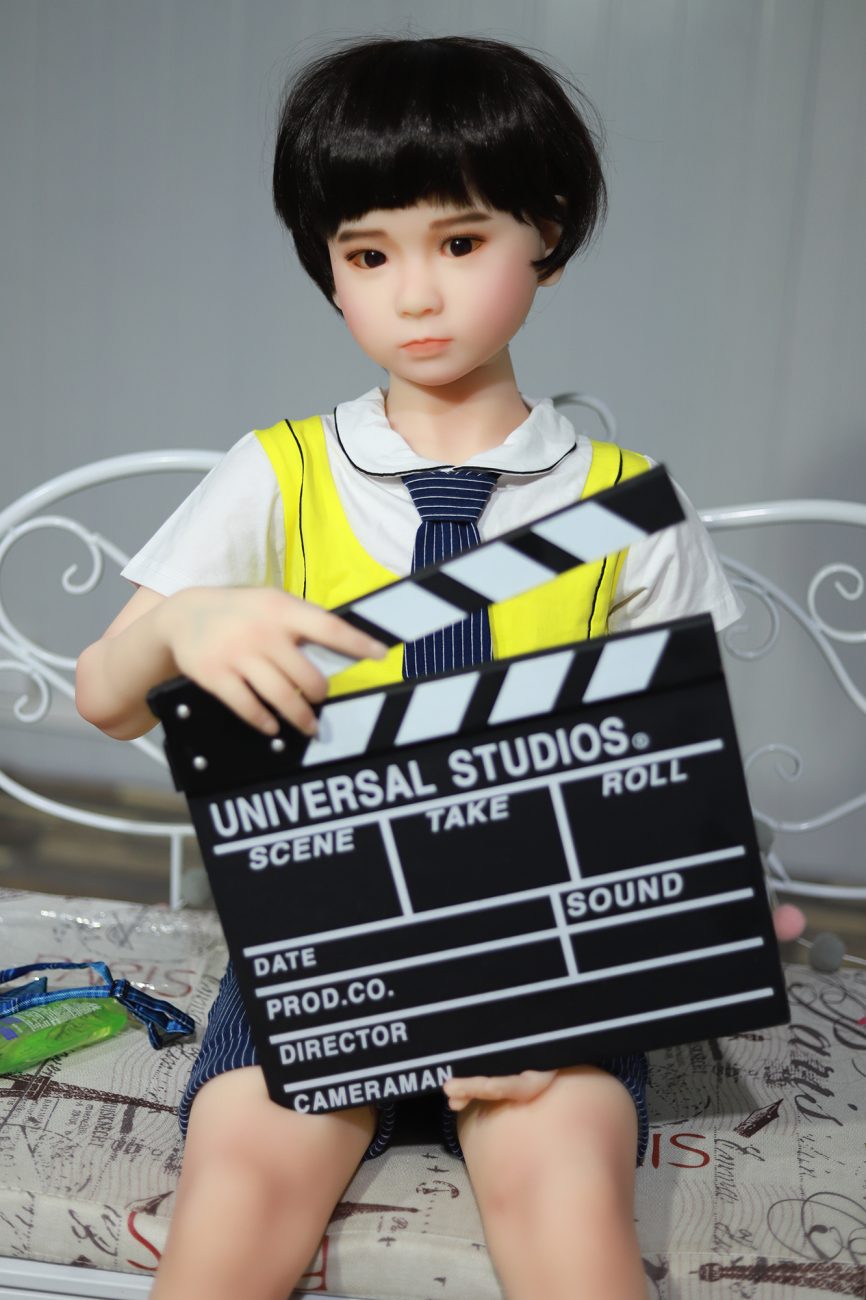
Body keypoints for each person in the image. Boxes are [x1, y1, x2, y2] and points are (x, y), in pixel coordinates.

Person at [76, 34, 793, 1300]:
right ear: (327, 267)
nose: (414, 295)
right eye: (368, 255)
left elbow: (664, 791)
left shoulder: (622, 508)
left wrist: (654, 940)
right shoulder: (275, 473)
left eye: (458, 243)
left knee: (563, 1186)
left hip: (547, 958)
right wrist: (182, 628)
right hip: (319, 946)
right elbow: (103, 696)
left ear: (545, 233)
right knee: (239, 1178)